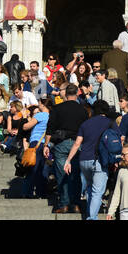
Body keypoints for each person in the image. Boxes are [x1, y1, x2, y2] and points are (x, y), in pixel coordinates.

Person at [62, 99, 114, 221]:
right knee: (97, 191)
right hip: (99, 160)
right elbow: (119, 139)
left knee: (90, 188)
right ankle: (92, 217)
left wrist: (68, 160)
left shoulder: (85, 124)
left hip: (84, 159)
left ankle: (90, 213)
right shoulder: (110, 123)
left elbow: (77, 143)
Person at [44, 82, 87, 213]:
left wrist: (46, 145)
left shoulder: (57, 109)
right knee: (75, 174)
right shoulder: (83, 110)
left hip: (61, 143)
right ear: (77, 93)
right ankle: (76, 204)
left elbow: (50, 128)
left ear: (65, 94)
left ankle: (64, 204)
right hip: (77, 144)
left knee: (62, 174)